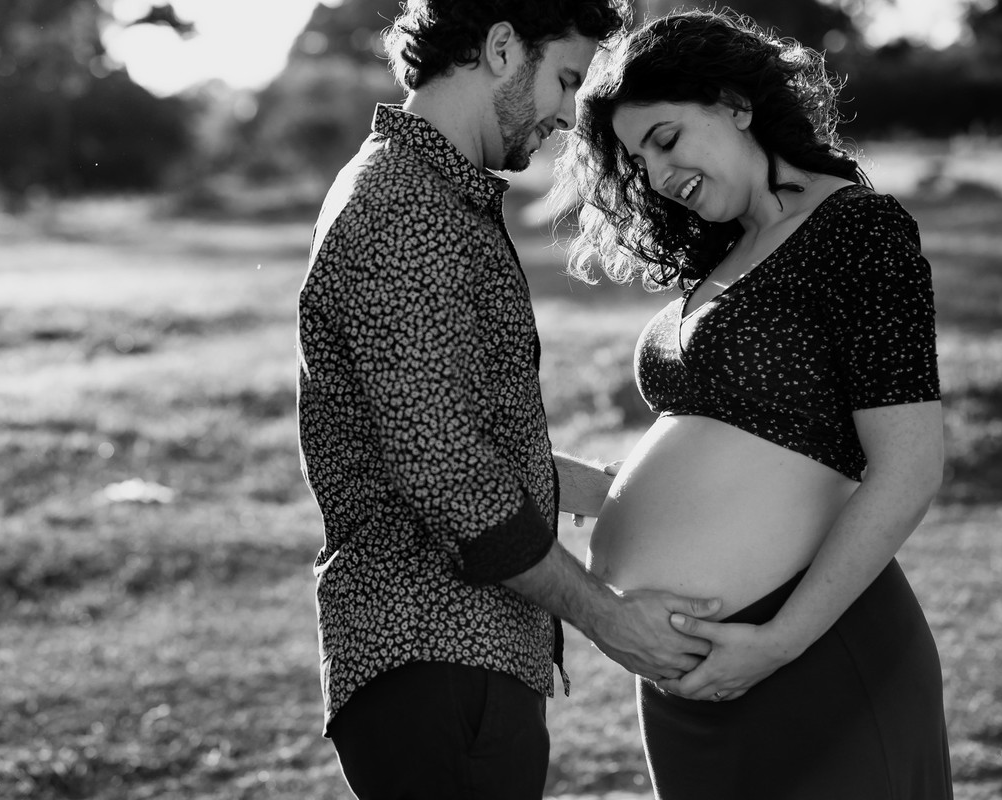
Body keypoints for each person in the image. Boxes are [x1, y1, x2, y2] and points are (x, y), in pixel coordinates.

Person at [295, 2, 728, 797]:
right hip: (436, 658)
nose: (568, 115)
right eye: (565, 80)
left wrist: (632, 493)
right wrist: (609, 617)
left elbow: (459, 441)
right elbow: (448, 472)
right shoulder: (401, 207)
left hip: (461, 662)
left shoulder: (432, 194)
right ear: (501, 49)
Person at [554, 9, 953, 798]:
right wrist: (608, 490)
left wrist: (778, 642)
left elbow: (910, 465)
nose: (660, 176)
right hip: (689, 692)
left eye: (666, 139)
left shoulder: (857, 231)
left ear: (736, 104)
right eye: (640, 160)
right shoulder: (716, 261)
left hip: (815, 656)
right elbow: (749, 446)